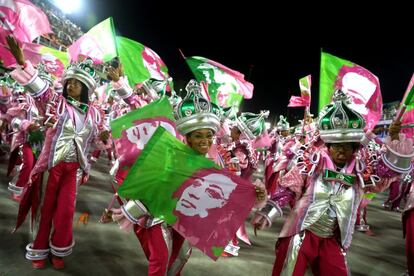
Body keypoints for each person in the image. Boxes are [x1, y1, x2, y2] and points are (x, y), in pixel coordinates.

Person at [252, 89, 408, 275]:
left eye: (347, 147)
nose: (342, 151)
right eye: (336, 146)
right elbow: (288, 189)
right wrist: (267, 214)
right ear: (328, 146)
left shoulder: (360, 169)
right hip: (301, 234)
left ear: (355, 148)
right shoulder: (313, 162)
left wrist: (395, 138)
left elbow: (386, 171)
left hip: (333, 239)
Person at [6, 35, 109, 270]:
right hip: (52, 165)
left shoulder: (95, 114)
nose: (70, 85)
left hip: (74, 169)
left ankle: (59, 247)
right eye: (69, 82)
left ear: (85, 88)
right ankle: (40, 249)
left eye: (76, 83)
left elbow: (98, 142)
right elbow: (39, 89)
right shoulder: (55, 103)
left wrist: (104, 138)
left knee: (66, 211)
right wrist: (24, 62)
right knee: (46, 208)